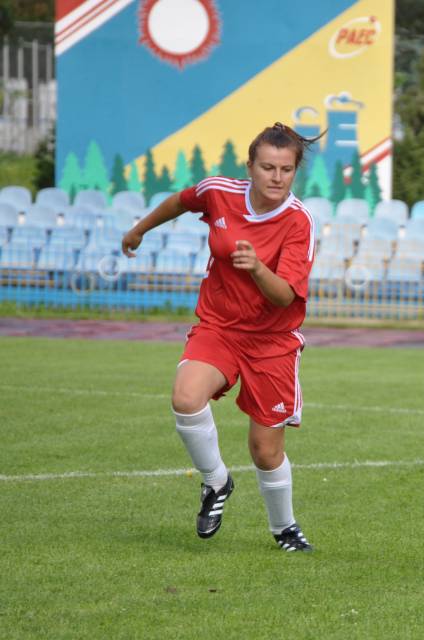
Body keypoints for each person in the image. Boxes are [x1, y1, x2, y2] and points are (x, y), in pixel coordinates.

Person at [121, 123, 318, 552]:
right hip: (220, 327)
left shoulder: (299, 222)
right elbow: (180, 200)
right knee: (185, 397)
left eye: (286, 169)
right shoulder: (219, 192)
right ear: (250, 166)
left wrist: (258, 268)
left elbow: (285, 296)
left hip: (273, 342)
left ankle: (284, 528)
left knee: (265, 452)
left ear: (294, 172)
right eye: (267, 167)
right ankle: (216, 482)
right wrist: (140, 229)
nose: (276, 177)